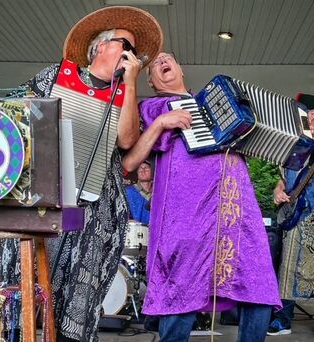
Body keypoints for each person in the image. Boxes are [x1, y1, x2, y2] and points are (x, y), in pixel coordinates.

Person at [0, 6, 163, 342]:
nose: (132, 56)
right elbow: (13, 113)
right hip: (41, 198)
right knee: (27, 284)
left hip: (94, 208)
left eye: (134, 52)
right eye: (125, 46)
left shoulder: (125, 94)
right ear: (100, 46)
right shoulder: (56, 75)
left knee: (75, 294)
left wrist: (130, 84)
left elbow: (127, 140)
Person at [122, 52, 282, 342]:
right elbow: (136, 152)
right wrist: (165, 121)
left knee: (258, 282)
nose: (162, 62)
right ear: (152, 81)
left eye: (168, 59)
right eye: (156, 64)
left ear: (181, 70)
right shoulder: (154, 106)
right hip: (187, 211)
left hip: (236, 208)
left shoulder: (217, 105)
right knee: (181, 286)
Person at [267, 108, 314, 336]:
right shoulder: (297, 147)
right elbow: (284, 179)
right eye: (310, 116)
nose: (312, 120)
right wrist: (278, 190)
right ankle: (282, 319)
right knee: (286, 269)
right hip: (297, 217)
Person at [126, 160, 152, 225]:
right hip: (136, 232)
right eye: (140, 168)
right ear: (137, 173)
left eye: (146, 168)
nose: (143, 170)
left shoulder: (160, 192)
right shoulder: (128, 192)